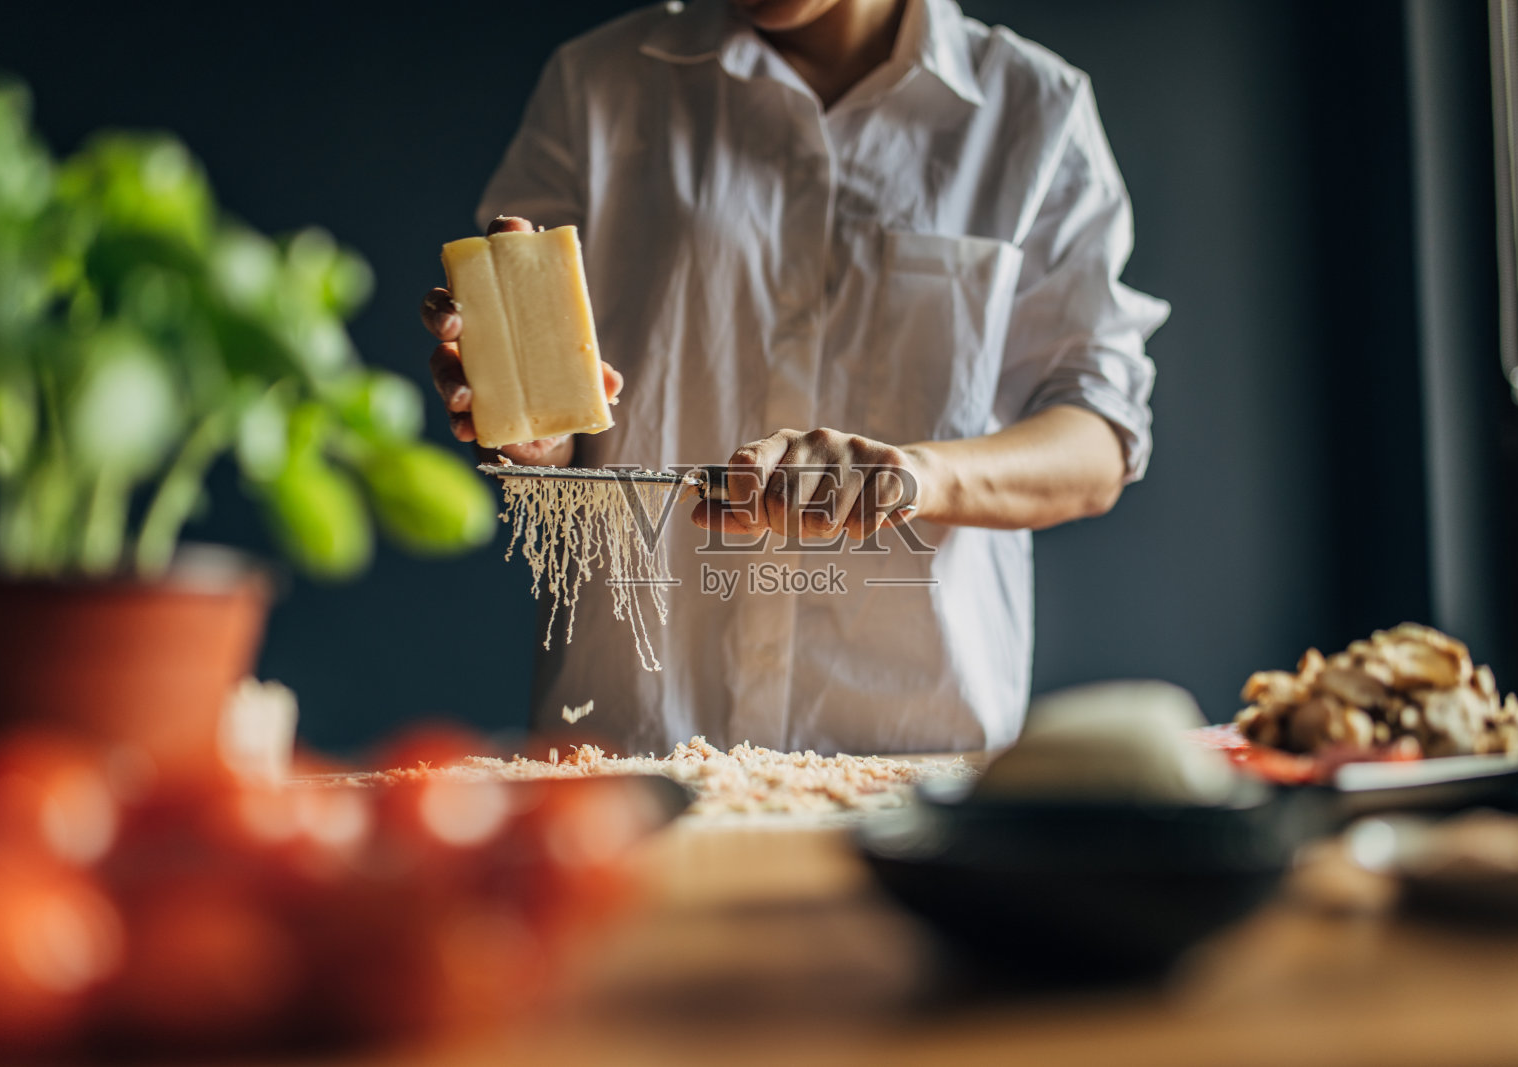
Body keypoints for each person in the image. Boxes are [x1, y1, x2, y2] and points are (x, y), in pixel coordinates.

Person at [423, 0, 1167, 755]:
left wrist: (918, 475)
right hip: (629, 751)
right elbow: (552, 419)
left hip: (915, 768)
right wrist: (530, 427)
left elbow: (1098, 439)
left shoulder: (1034, 109)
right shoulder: (597, 82)